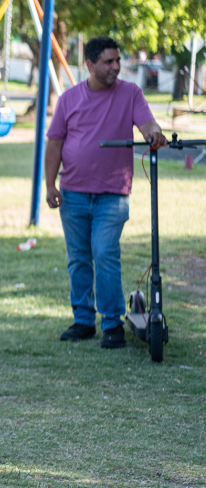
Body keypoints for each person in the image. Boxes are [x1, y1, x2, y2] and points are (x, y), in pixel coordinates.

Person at [45, 36, 166, 348]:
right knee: (78, 259)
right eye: (108, 61)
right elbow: (55, 142)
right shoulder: (69, 99)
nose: (116, 67)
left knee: (104, 253)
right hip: (72, 193)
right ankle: (83, 321)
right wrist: (49, 185)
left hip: (112, 193)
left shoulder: (130, 93)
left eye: (117, 60)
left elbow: (147, 124)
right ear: (90, 64)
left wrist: (154, 133)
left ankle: (112, 324)